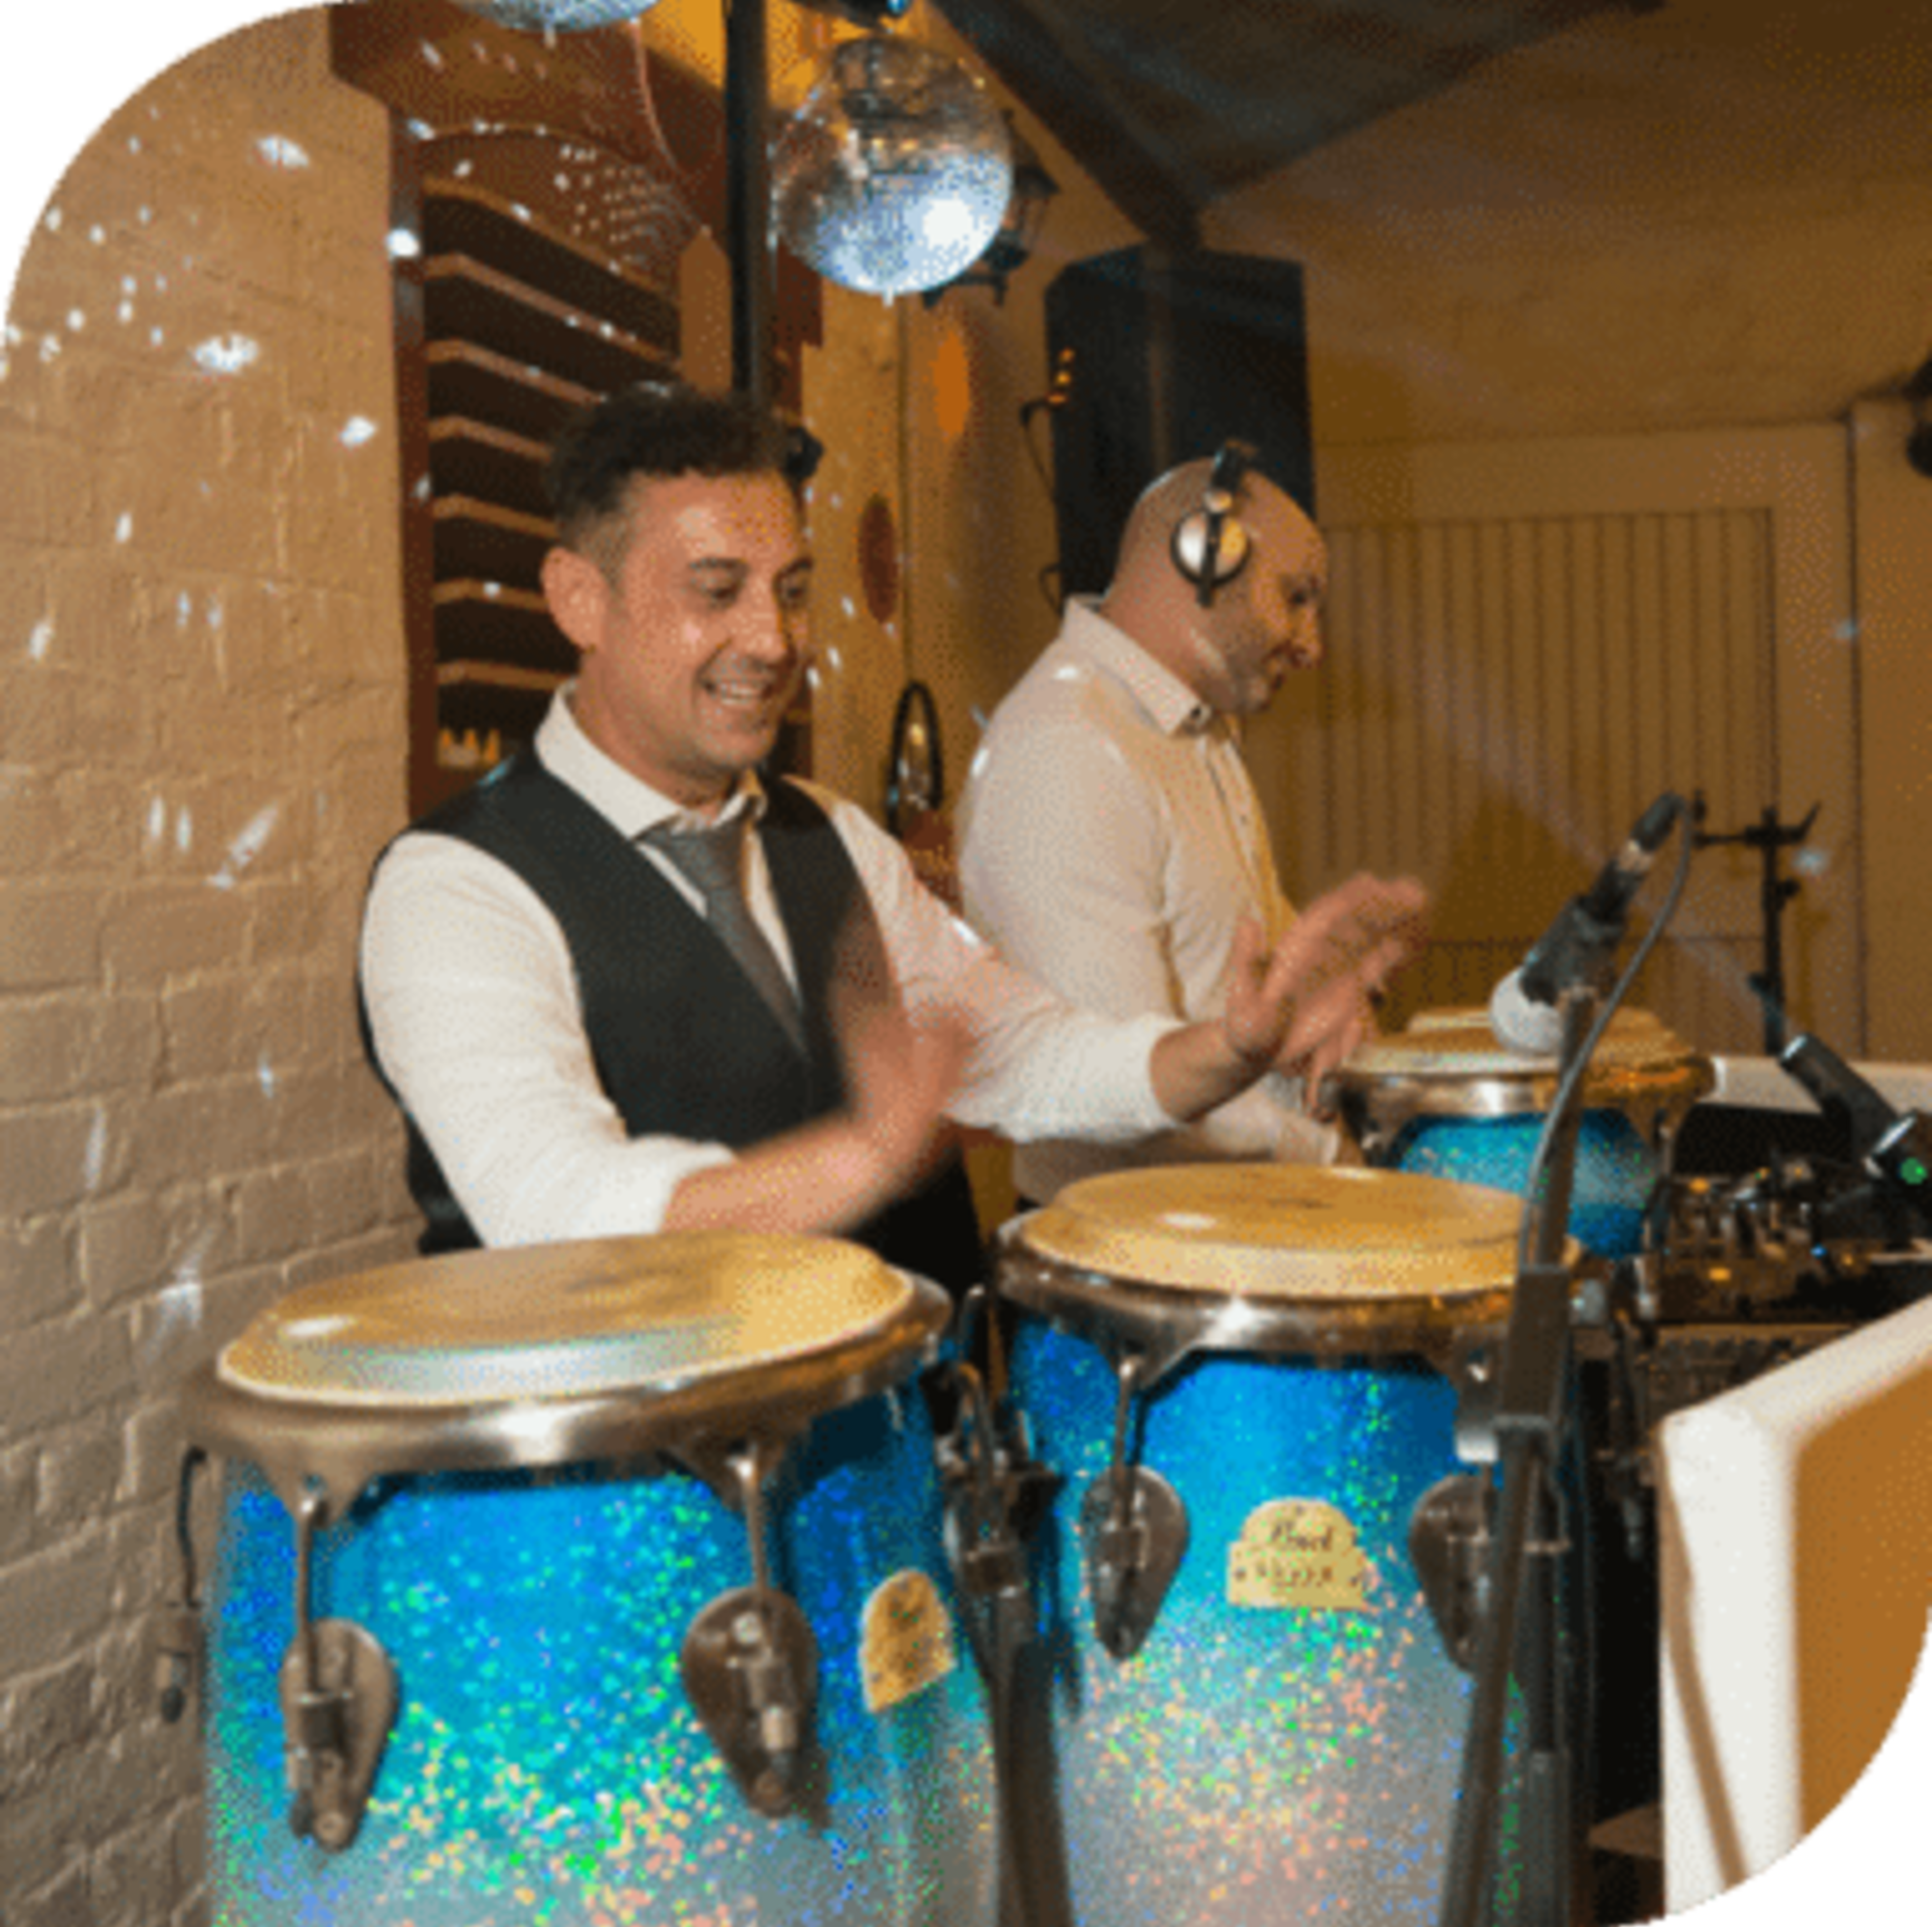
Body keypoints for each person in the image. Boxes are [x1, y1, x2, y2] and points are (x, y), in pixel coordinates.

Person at [358, 384, 1425, 1291]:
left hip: (888, 1465)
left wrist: (1223, 1051)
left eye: (788, 592)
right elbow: (559, 1212)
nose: (772, 642)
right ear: (577, 599)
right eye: (716, 592)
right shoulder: (456, 886)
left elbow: (1020, 1050)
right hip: (631, 1516)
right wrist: (863, 1158)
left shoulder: (827, 833)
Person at [958, 445, 1398, 1207]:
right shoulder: (1067, 747)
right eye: (1295, 596)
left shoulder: (1194, 732)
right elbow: (1118, 1097)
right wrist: (1340, 1158)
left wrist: (1334, 997)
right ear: (1204, 556)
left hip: (1227, 1234)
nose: (1313, 642)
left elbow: (1251, 966)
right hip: (1135, 1277)